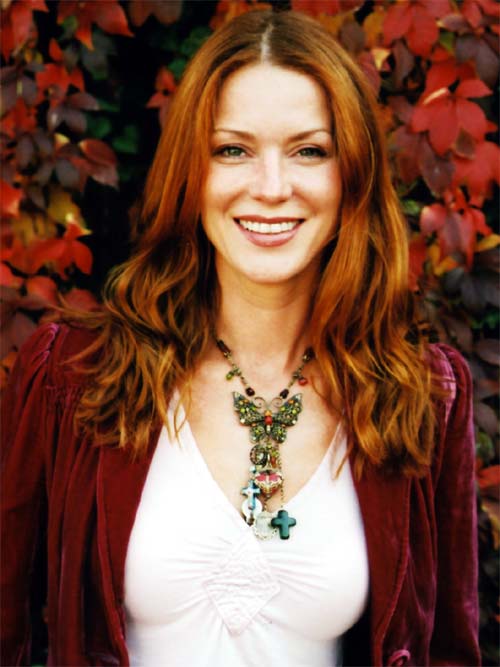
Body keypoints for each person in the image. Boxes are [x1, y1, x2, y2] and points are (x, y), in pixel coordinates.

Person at [1, 8, 480, 667]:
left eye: (309, 151)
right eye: (233, 149)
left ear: (352, 176)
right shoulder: (72, 377)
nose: (272, 188)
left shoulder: (422, 396)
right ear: (191, 171)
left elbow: (449, 649)